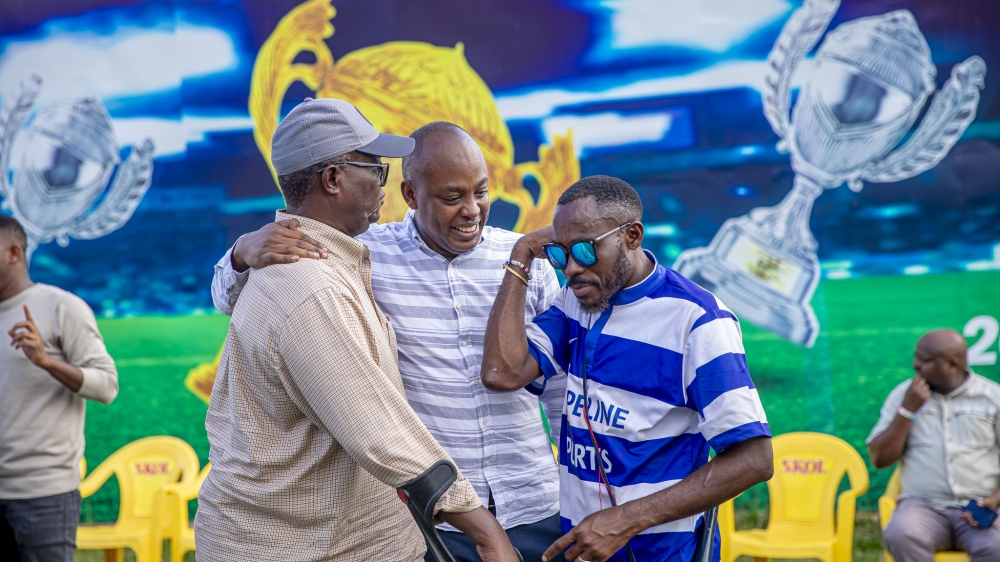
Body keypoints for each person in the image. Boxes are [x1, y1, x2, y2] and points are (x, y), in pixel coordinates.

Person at [211, 121, 567, 561]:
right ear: (411, 196)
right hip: (439, 517)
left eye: (481, 192)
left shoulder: (522, 261)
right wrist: (241, 254)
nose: (472, 210)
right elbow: (237, 293)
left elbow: (561, 390)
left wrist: (580, 493)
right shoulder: (357, 257)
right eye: (453, 197)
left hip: (536, 502)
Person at [481, 175, 775, 562]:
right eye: (559, 253)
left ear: (631, 236)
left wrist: (625, 520)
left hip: (662, 552)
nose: (569, 268)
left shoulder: (698, 321)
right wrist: (521, 254)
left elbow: (755, 459)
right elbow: (502, 372)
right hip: (582, 547)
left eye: (585, 251)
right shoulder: (577, 301)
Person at [0, 215, 118, 562]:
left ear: (14, 252)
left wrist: (46, 361)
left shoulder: (61, 307)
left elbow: (107, 386)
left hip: (43, 495)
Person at [868, 329, 1000, 562]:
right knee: (902, 534)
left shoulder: (992, 398)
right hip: (922, 506)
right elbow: (879, 460)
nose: (915, 365)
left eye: (925, 360)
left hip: (982, 506)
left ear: (952, 364)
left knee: (995, 545)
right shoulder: (904, 395)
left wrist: (995, 499)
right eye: (916, 357)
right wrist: (907, 410)